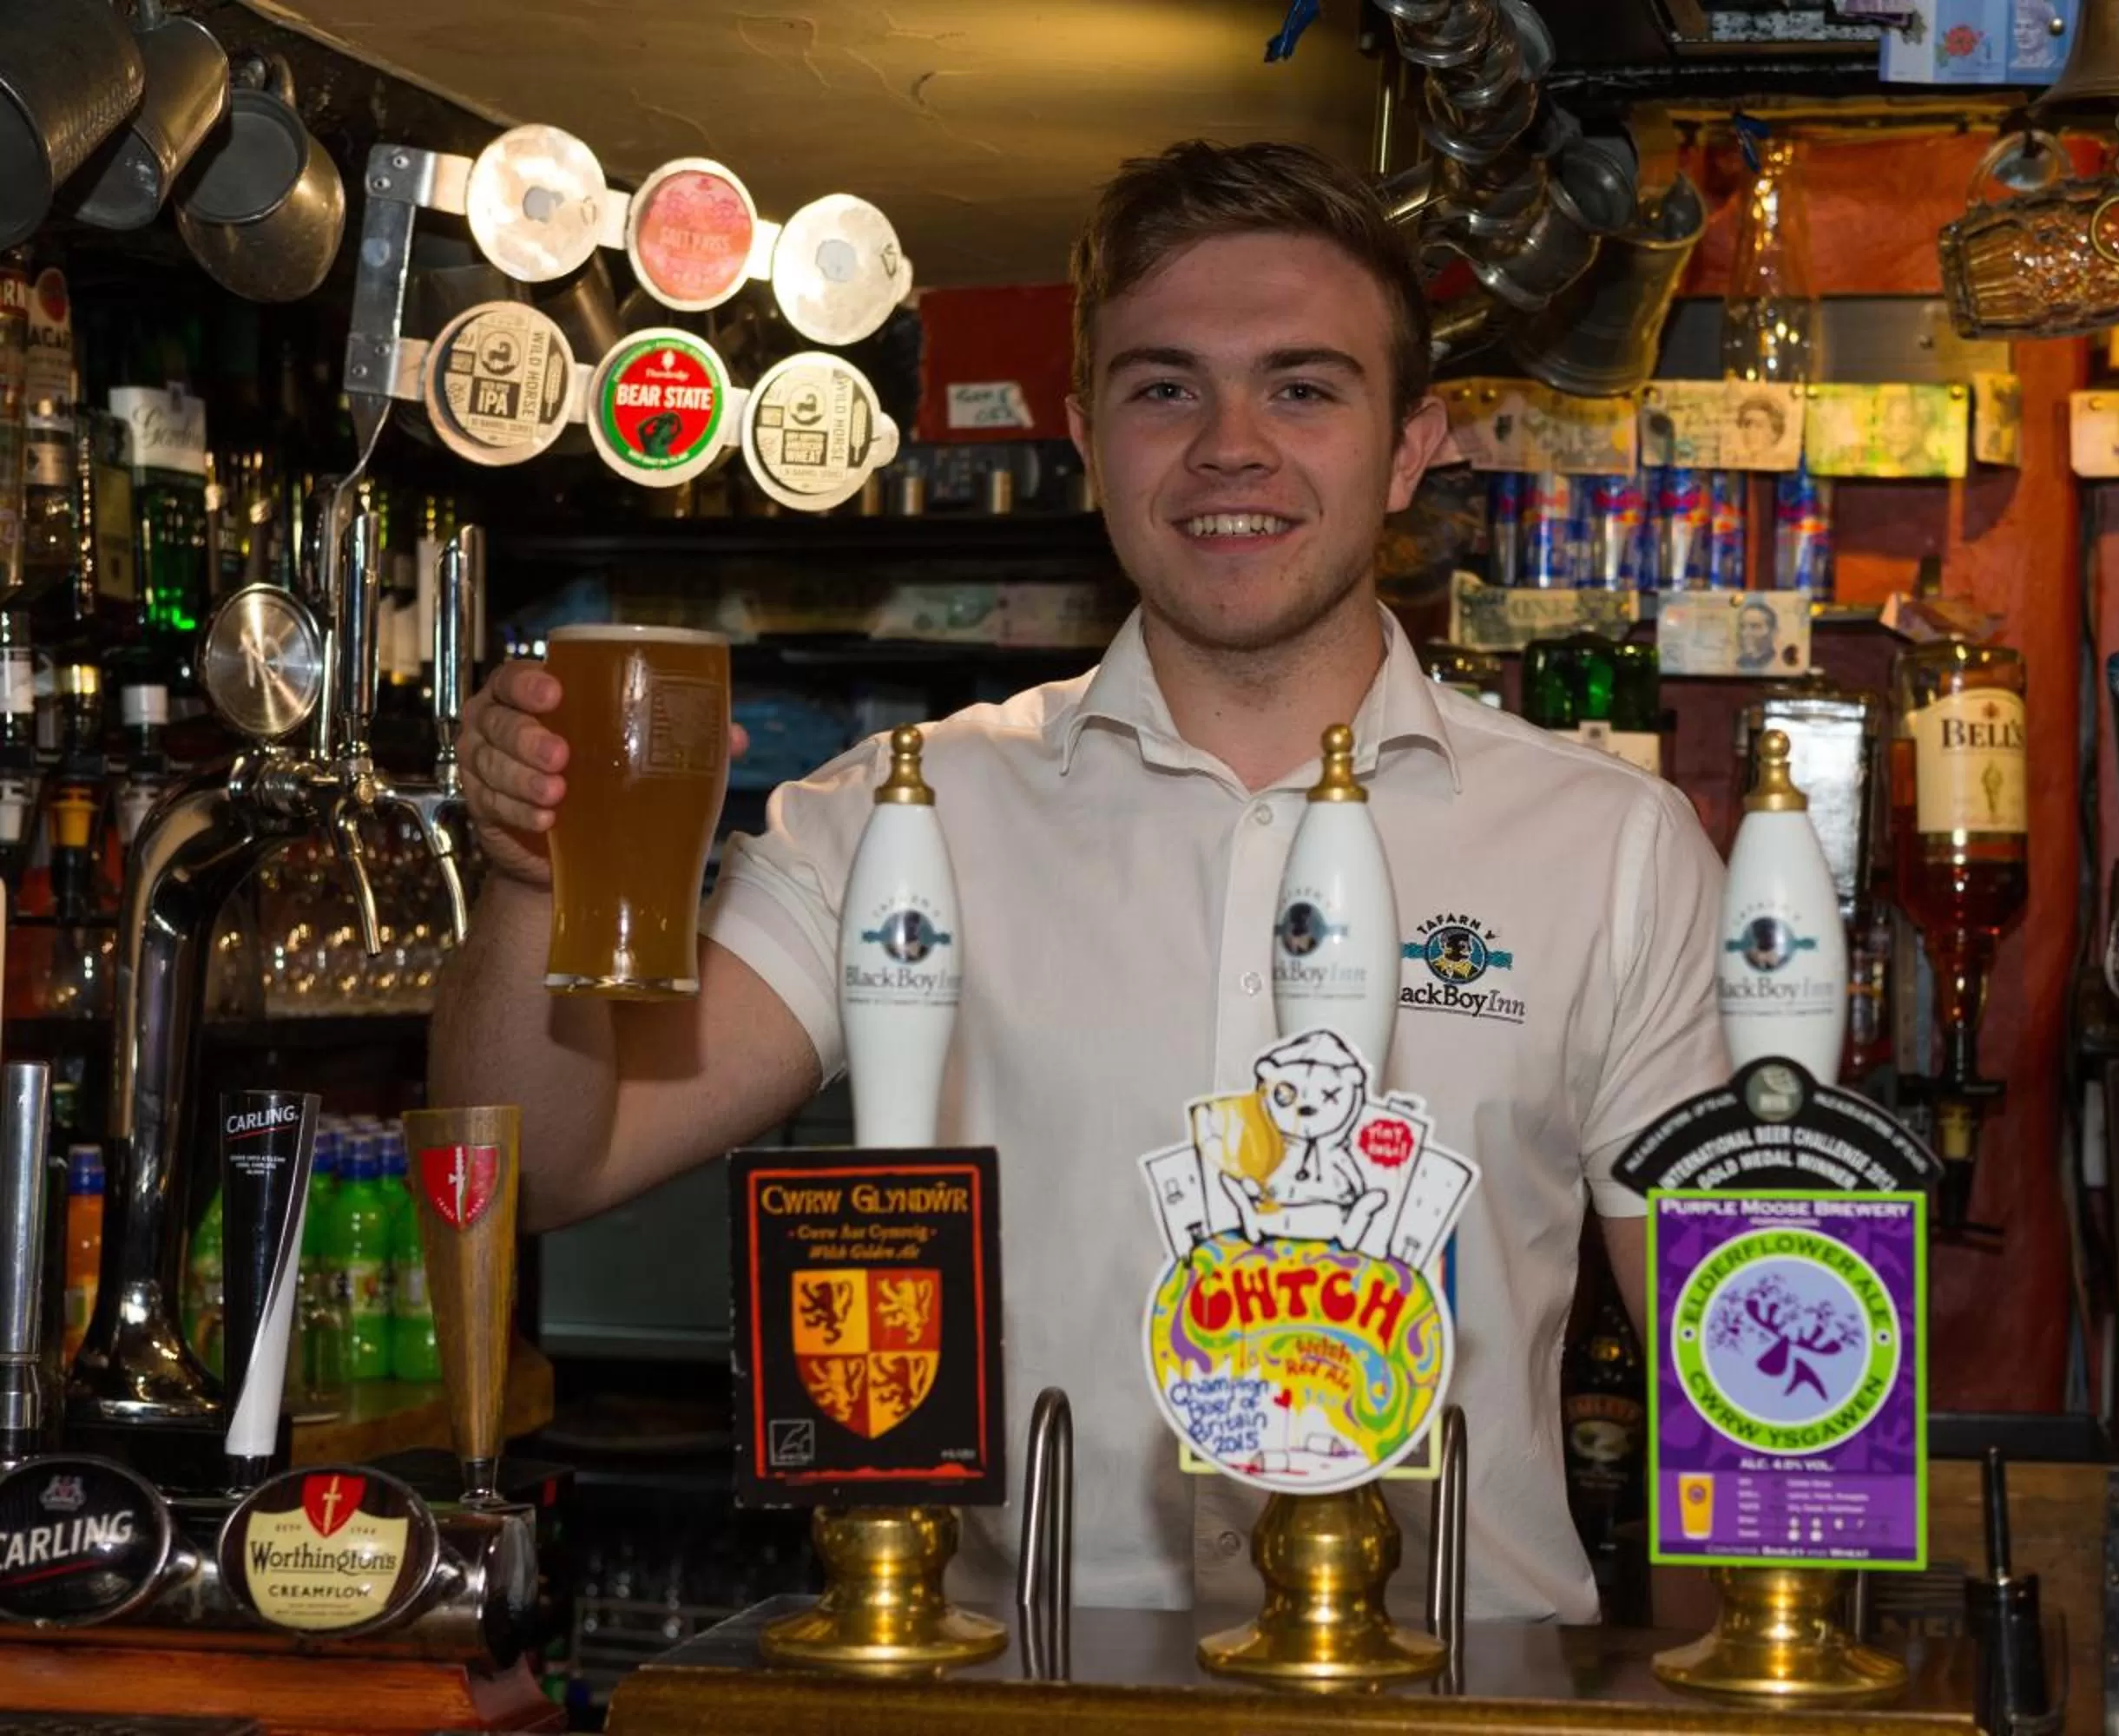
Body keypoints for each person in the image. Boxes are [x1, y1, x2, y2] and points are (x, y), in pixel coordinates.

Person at [431, 140, 1728, 1625]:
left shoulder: (1608, 848)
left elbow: (1730, 1385)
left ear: (1414, 444)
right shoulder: (908, 816)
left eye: (1303, 388)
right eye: (1164, 387)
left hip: (1447, 1705)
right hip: (1010, 1695)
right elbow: (532, 1173)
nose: (1230, 445)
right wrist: (533, 875)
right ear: (1083, 432)